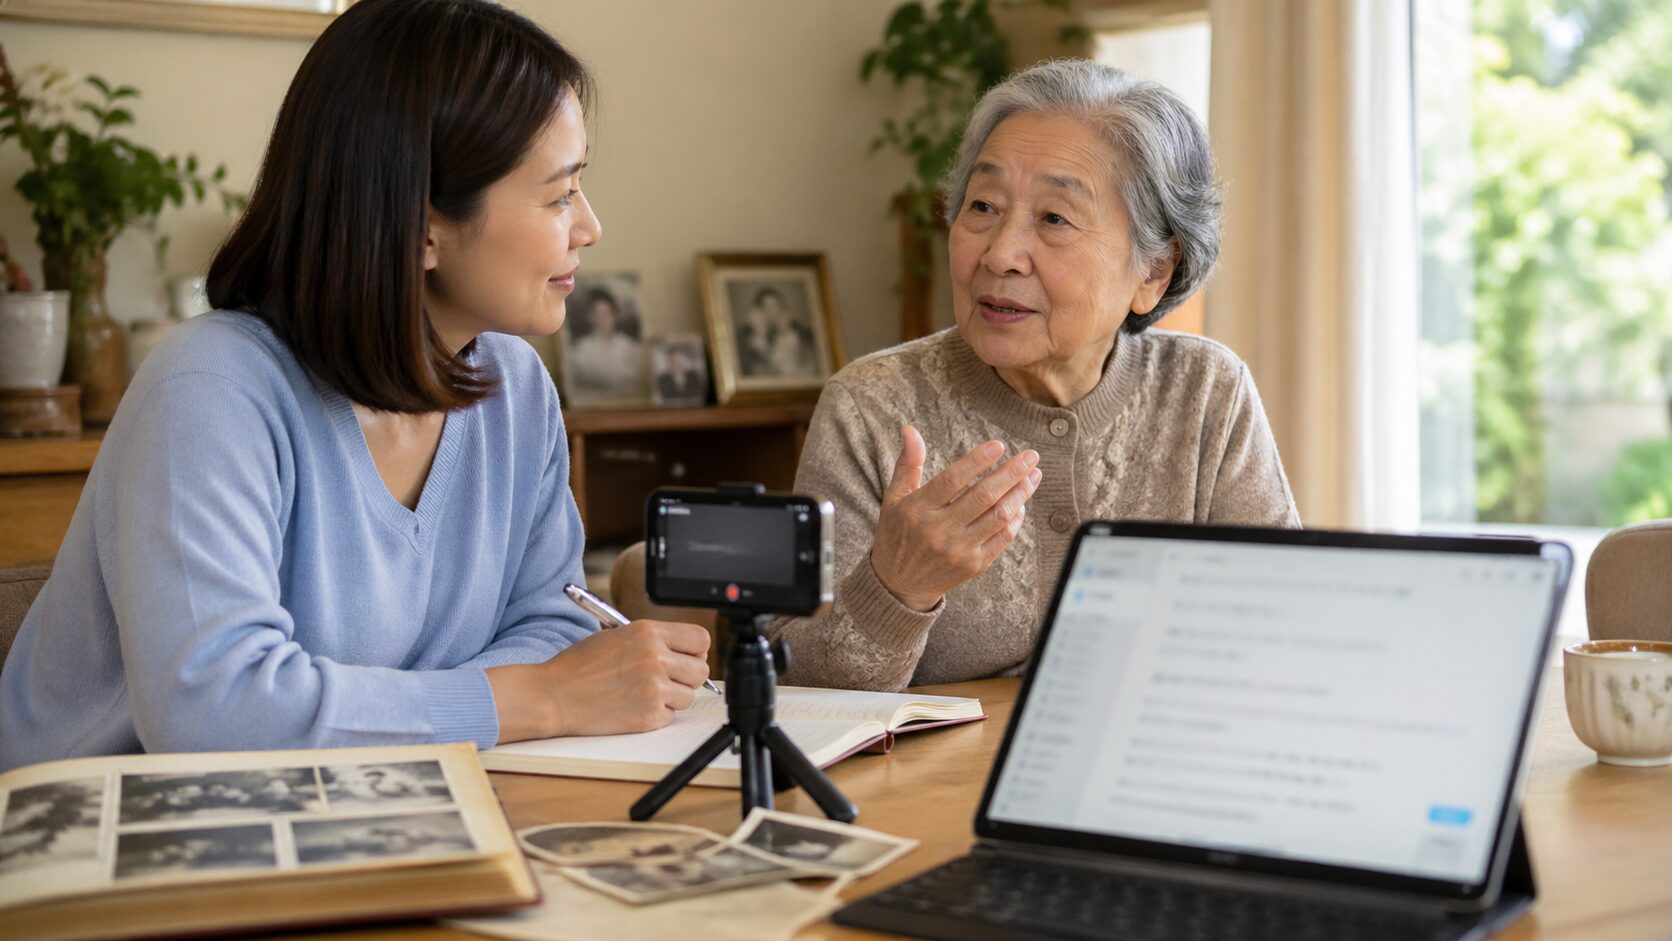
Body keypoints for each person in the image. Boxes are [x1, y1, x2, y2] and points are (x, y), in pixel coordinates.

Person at [0, 0, 710, 773]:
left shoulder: (516, 389)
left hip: (370, 805)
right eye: (559, 195)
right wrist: (539, 698)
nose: (590, 226)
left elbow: (552, 621)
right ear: (422, 225)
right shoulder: (206, 391)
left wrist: (401, 714)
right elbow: (215, 711)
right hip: (113, 841)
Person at [772, 60, 1299, 692]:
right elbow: (793, 692)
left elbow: (1282, 638)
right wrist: (897, 585)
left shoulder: (1207, 393)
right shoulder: (871, 408)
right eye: (983, 207)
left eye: (1054, 219)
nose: (999, 254)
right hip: (925, 789)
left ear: (1154, 272)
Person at [566, 287, 647, 397]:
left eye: (607, 314)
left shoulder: (629, 346)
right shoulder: (581, 349)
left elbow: (638, 376)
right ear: (590, 317)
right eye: (598, 314)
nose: (603, 319)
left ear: (614, 316)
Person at [736, 286, 817, 378]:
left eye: (779, 306)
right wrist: (759, 335)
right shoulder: (747, 339)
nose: (775, 312)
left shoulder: (801, 334)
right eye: (768, 308)